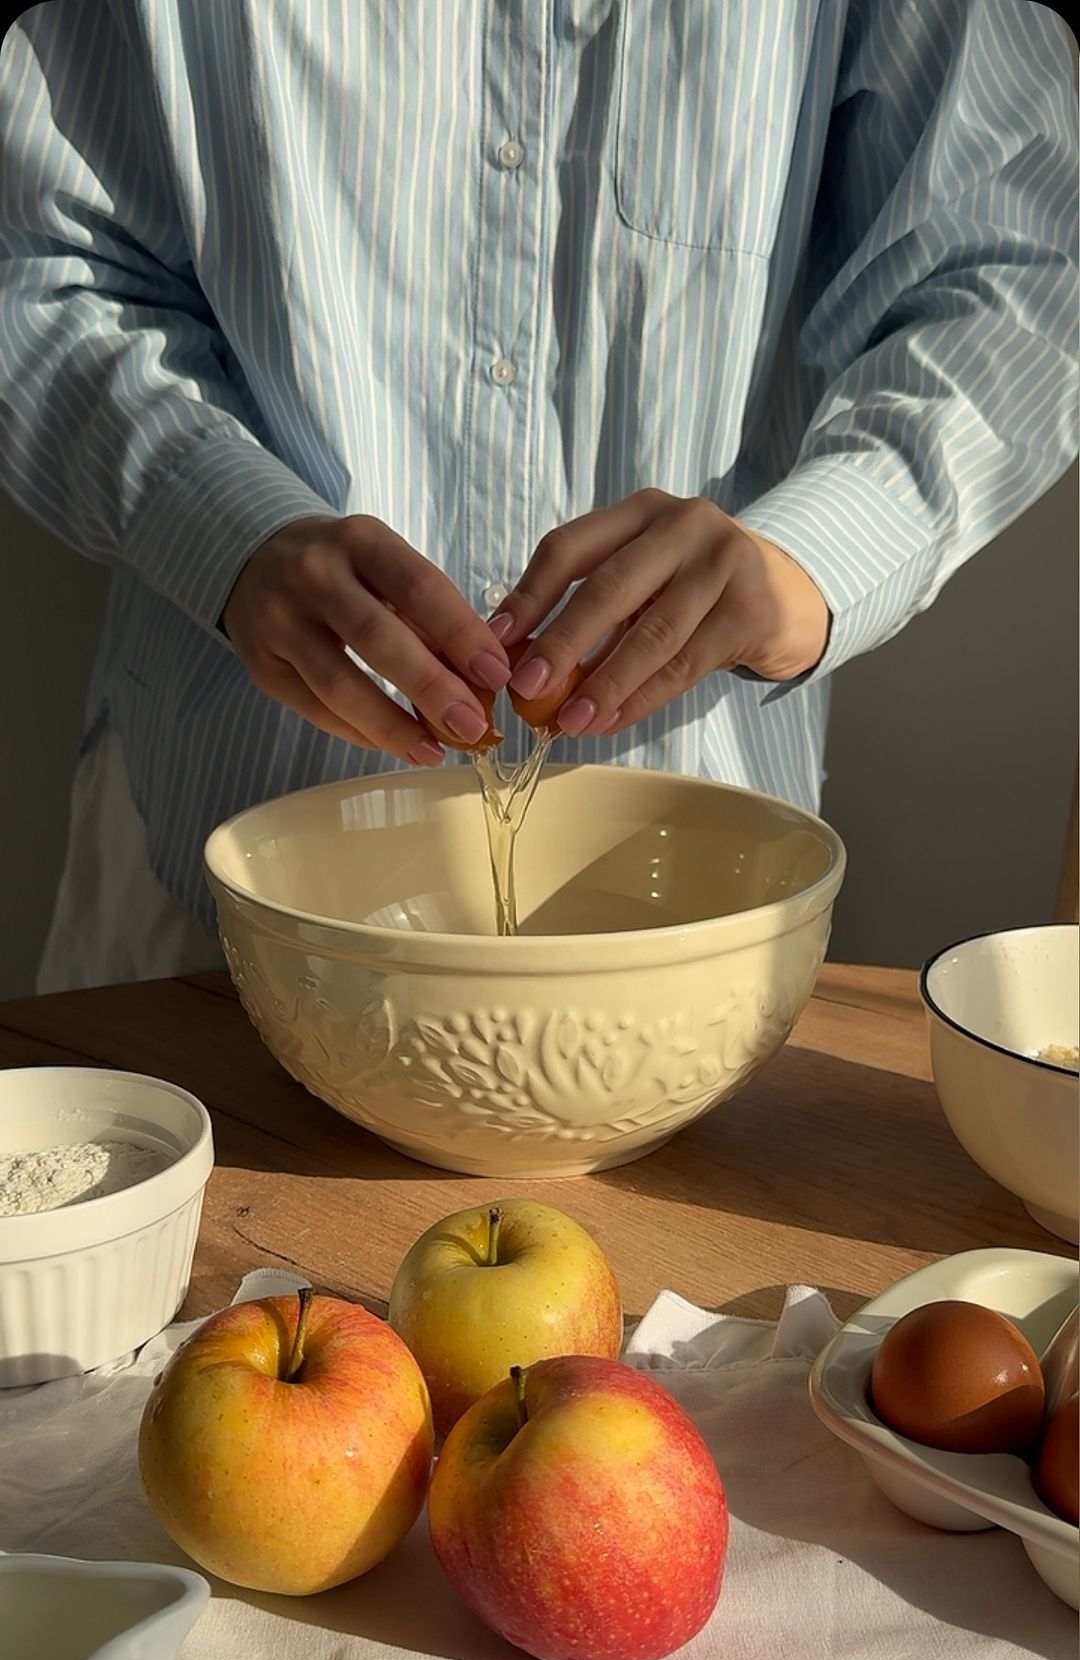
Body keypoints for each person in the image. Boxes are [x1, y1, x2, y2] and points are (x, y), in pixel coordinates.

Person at [0, 1, 1076, 992]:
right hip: (208, 874)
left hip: (696, 918)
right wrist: (222, 530)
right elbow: (36, 265)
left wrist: (809, 563)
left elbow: (1015, 269)